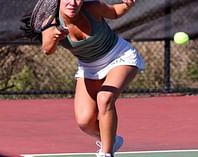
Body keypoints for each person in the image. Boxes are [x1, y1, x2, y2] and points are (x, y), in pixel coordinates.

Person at [41, 0, 145, 157]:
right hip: (89, 67)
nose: (73, 3)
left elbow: (114, 12)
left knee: (105, 98)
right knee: (85, 122)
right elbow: (47, 50)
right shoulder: (51, 21)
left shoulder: (92, 8)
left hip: (119, 55)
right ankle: (111, 140)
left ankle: (106, 153)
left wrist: (127, 4)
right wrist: (54, 36)